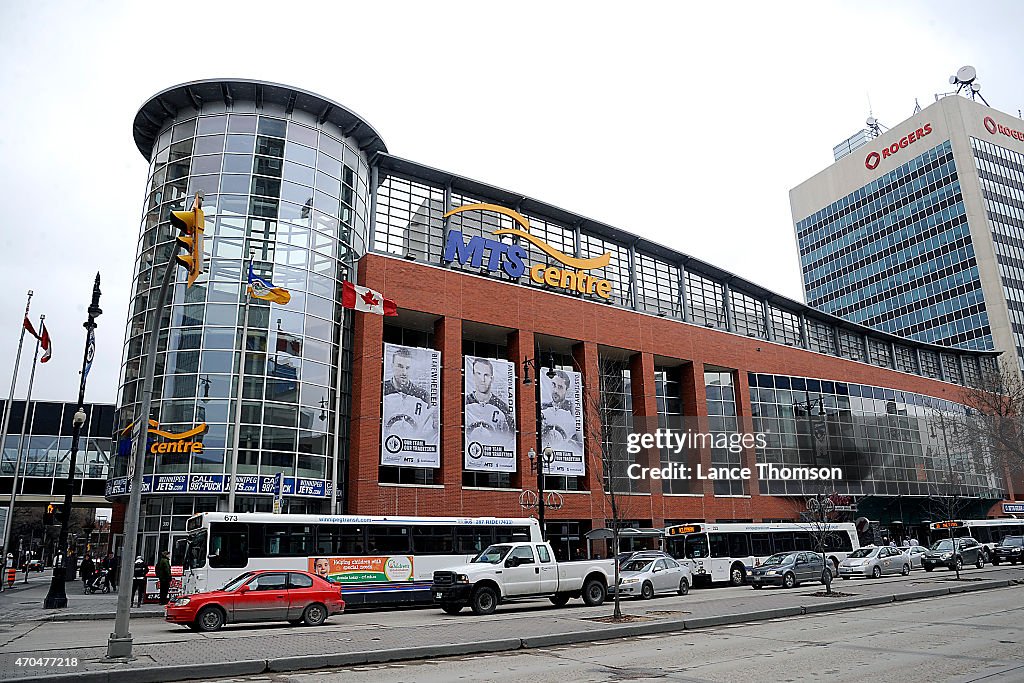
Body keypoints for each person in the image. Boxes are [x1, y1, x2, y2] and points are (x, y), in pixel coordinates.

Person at [465, 357, 514, 434]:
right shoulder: (465, 403)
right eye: (478, 374)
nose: (482, 379)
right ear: (473, 376)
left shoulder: (502, 407)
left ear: (492, 379)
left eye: (486, 375)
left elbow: (510, 437)